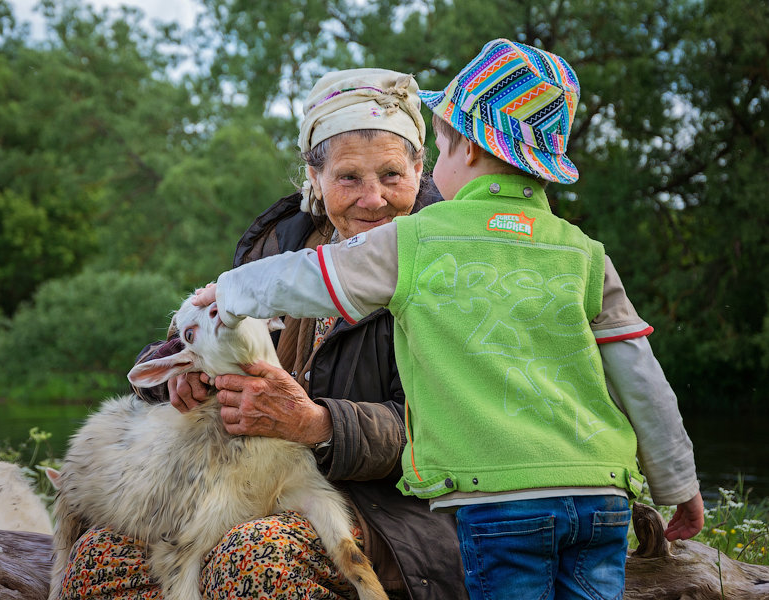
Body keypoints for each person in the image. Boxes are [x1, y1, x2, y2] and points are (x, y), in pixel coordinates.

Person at [194, 39, 704, 599]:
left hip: (490, 499)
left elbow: (313, 277)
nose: (376, 198)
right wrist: (678, 482)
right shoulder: (583, 251)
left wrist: (229, 291)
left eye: (427, 155)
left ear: (463, 150)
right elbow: (641, 375)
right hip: (601, 494)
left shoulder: (415, 243)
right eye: (349, 179)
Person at [55, 68, 469, 600]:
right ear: (314, 178)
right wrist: (180, 379)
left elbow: (454, 430)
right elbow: (203, 326)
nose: (373, 199)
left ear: (420, 168)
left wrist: (317, 423)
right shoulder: (281, 248)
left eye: (392, 175)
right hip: (253, 482)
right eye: (349, 178)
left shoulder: (451, 262)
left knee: (255, 559)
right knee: (98, 561)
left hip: (395, 511)